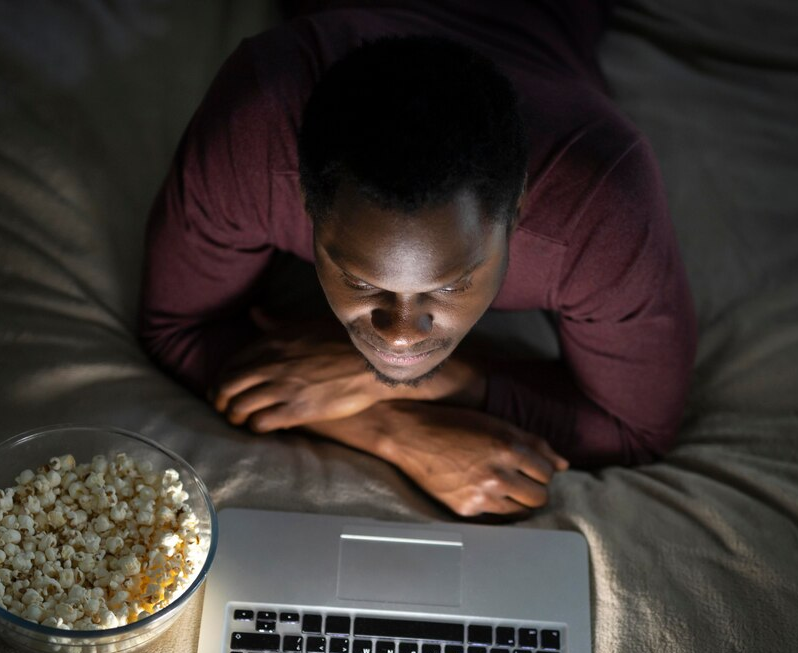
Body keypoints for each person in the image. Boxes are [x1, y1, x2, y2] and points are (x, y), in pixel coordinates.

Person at [140, 1, 697, 517]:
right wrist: (393, 429)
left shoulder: (597, 206)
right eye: (359, 280)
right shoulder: (256, 133)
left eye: (453, 286)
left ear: (518, 205)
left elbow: (635, 432)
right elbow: (176, 326)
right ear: (305, 198)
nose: (401, 337)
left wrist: (434, 380)